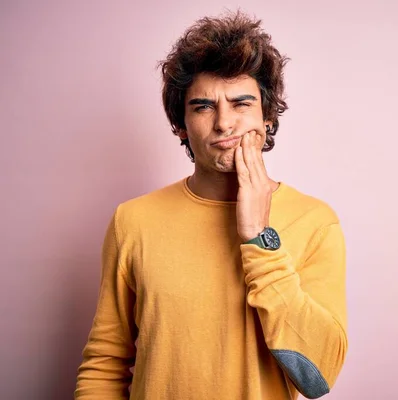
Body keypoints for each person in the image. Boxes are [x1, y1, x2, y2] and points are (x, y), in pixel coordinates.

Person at [75, 11, 348, 400]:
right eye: (203, 106)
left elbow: (318, 377)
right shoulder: (132, 221)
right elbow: (106, 362)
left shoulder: (315, 222)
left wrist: (258, 235)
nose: (224, 123)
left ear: (267, 118)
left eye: (241, 104)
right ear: (181, 125)